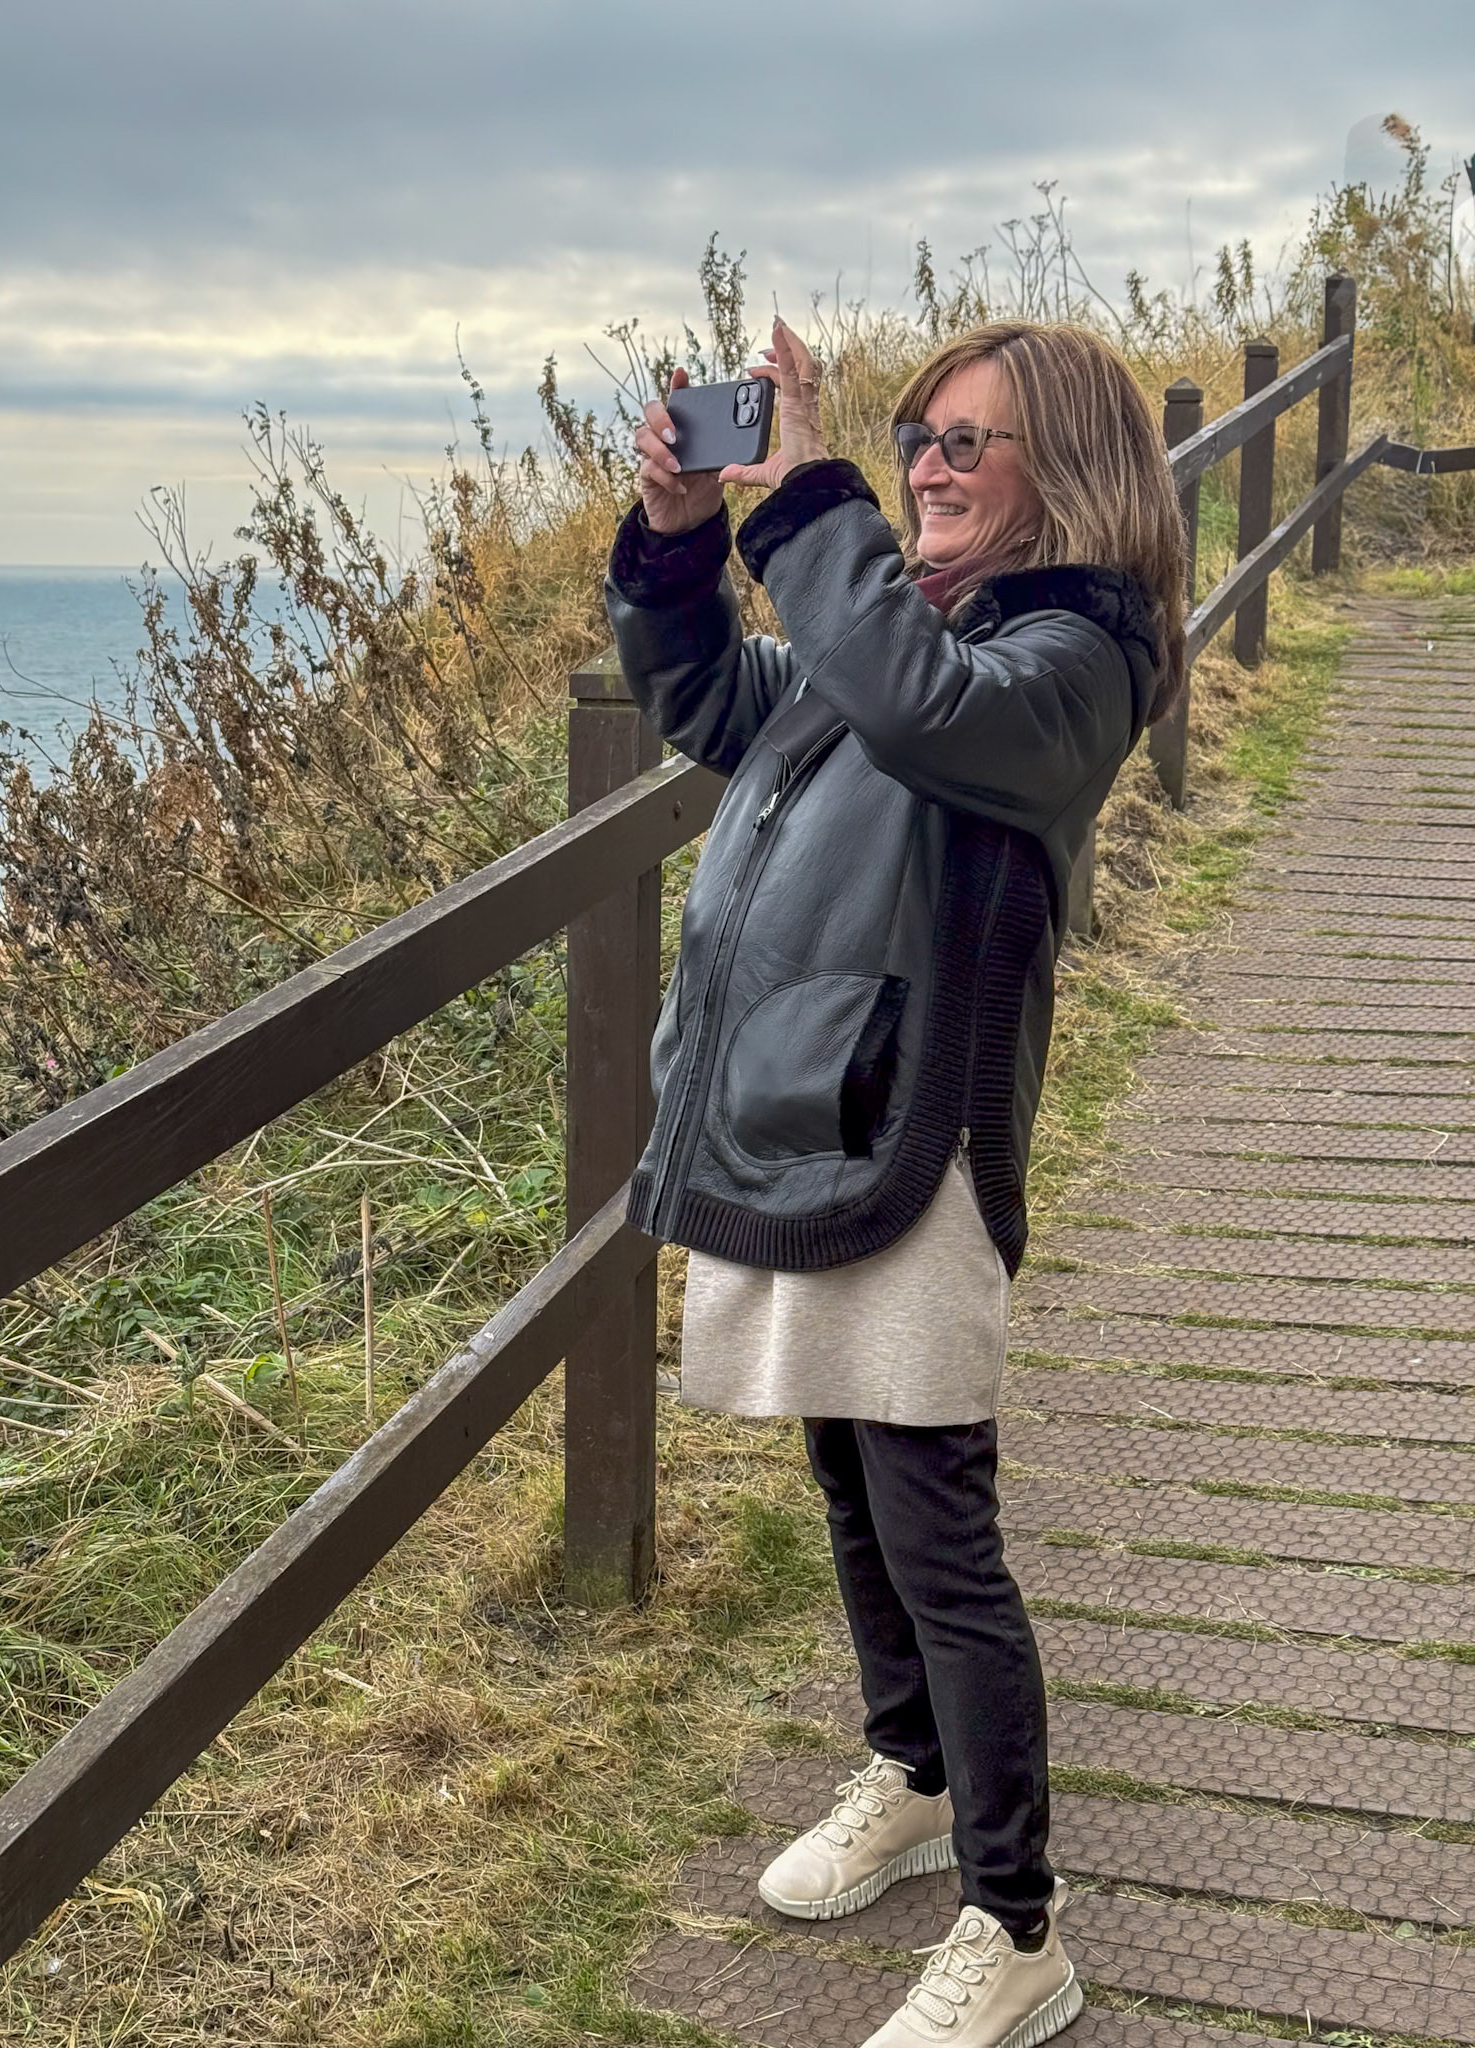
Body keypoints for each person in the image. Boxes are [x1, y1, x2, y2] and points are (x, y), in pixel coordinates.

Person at [606, 313, 1186, 2048]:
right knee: (849, 1482)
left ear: (1059, 478)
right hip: (797, 1118)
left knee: (941, 1530)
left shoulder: (1073, 662)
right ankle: (914, 1770)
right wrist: (691, 535)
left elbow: (937, 716)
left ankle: (1019, 1929)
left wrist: (811, 503)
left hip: (912, 1137)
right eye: (914, 434)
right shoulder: (895, 651)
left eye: (966, 442)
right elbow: (709, 690)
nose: (927, 460)